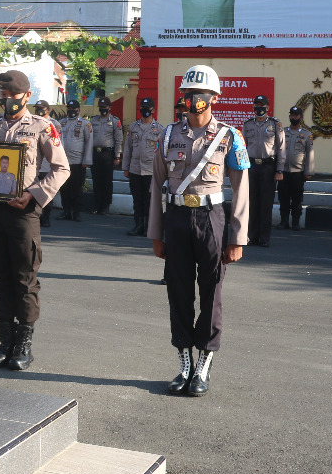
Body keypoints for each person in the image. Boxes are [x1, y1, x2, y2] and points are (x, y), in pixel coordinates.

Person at [148, 64, 250, 397]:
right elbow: (156, 185)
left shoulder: (230, 137)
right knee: (177, 291)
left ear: (215, 98)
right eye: (189, 95)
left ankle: (204, 362)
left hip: (212, 220)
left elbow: (242, 189)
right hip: (177, 219)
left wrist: (237, 237)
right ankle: (184, 362)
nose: (193, 101)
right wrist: (156, 233)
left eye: (200, 95)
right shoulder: (167, 135)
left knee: (211, 292)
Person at [0, 70, 69, 372]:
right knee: (0, 277)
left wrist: (35, 194)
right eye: (3, 95)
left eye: (13, 95)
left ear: (26, 96)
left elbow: (61, 168)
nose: (7, 100)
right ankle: (5, 341)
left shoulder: (43, 127)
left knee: (25, 280)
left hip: (25, 212)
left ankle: (24, 345)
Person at [241, 95, 284, 247]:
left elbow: (280, 148)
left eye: (262, 105)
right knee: (252, 202)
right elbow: (242, 148)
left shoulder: (275, 124)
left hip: (268, 167)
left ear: (268, 107)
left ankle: (264, 237)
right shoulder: (247, 125)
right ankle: (252, 236)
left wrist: (279, 170)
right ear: (253, 106)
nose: (259, 107)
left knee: (266, 204)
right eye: (257, 104)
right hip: (251, 167)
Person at [123, 97, 163, 237]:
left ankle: (148, 226)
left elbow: (161, 153)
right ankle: (138, 225)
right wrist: (126, 167)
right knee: (137, 200)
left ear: (153, 110)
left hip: (150, 171)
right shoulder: (133, 127)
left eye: (148, 108)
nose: (144, 111)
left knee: (150, 201)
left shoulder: (159, 129)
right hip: (135, 169)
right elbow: (128, 149)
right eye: (142, 108)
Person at [278, 105, 313, 231]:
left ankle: (296, 222)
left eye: (296, 115)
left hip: (298, 172)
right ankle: (284, 221)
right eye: (292, 115)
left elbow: (310, 154)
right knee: (283, 197)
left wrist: (308, 171)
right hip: (283, 171)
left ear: (301, 117)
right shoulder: (283, 132)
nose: (294, 117)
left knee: (297, 198)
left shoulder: (307, 135)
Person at [58, 100, 92, 221]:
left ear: (78, 110)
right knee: (64, 188)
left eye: (74, 109)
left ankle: (76, 212)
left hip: (78, 162)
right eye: (69, 108)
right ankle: (66, 211)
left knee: (77, 188)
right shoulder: (60, 123)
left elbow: (89, 142)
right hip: (63, 162)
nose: (71, 111)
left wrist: (86, 160)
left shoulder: (85, 124)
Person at [89, 96, 123, 215]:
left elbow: (118, 139)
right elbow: (89, 139)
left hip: (107, 154)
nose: (103, 109)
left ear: (110, 107)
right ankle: (97, 205)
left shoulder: (114, 121)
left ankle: (105, 206)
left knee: (107, 181)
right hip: (95, 153)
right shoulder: (93, 121)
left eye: (105, 107)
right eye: (101, 107)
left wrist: (117, 156)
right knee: (96, 180)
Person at [33, 101, 63, 227]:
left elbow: (58, 146)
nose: (38, 111)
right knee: (33, 193)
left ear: (48, 110)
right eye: (37, 109)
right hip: (34, 164)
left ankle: (46, 218)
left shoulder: (54, 125)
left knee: (46, 192)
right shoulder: (31, 122)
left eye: (41, 109)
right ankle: (35, 218)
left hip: (47, 163)